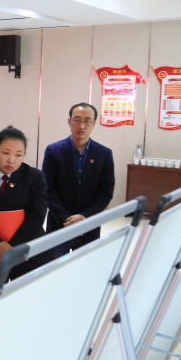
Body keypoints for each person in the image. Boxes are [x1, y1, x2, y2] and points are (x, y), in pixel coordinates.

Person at [0, 127, 49, 278]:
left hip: (27, 248)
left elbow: (37, 215)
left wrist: (12, 248)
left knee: (26, 290)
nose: (11, 160)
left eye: (18, 154)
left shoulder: (35, 177)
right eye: (6, 153)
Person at [42, 103, 115, 259]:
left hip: (88, 227)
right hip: (58, 225)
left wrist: (83, 217)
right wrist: (67, 219)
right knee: (53, 269)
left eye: (87, 121)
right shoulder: (53, 151)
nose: (81, 126)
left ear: (94, 124)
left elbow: (106, 193)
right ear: (69, 121)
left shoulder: (104, 154)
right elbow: (48, 190)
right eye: (77, 120)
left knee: (83, 268)